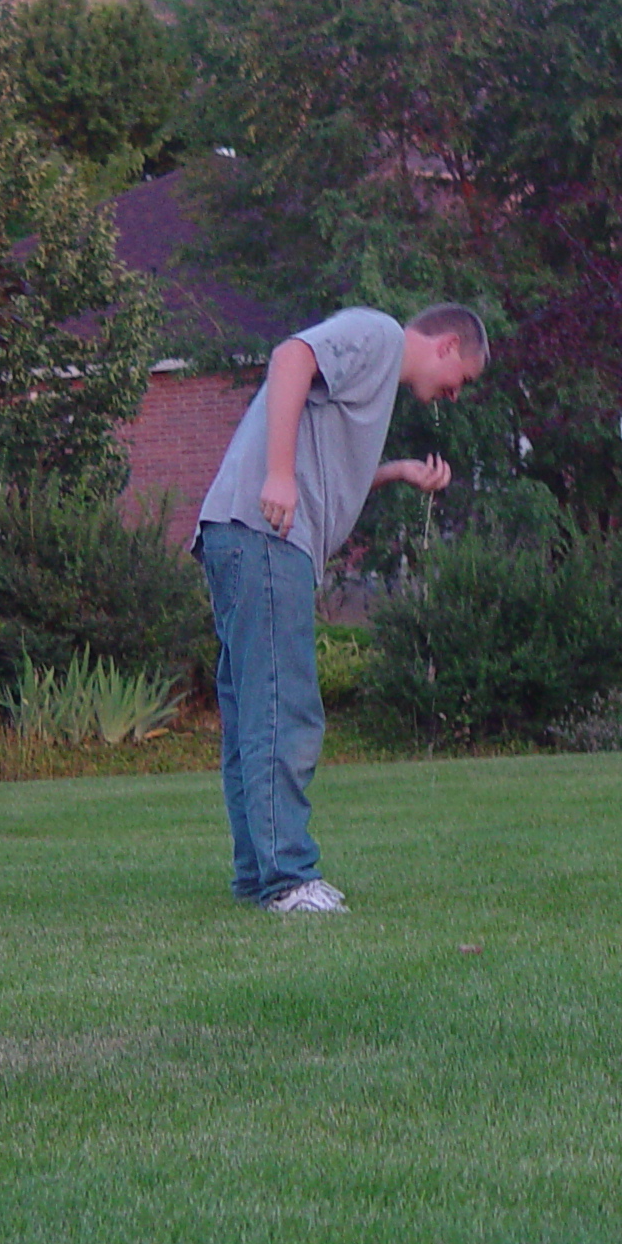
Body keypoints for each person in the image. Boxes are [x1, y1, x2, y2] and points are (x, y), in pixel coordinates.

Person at [194, 304, 489, 912]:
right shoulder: (380, 335)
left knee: (254, 717)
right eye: (465, 378)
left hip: (238, 534)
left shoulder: (374, 380)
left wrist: (395, 473)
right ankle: (289, 879)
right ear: (448, 344)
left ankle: (259, 876)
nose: (456, 395)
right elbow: (290, 358)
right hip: (265, 535)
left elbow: (322, 465)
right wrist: (277, 475)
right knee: (283, 708)